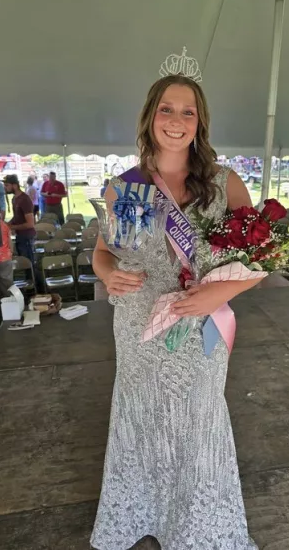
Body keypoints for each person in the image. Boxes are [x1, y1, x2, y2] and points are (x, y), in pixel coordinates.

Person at [91, 73, 258, 549]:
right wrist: (106, 274)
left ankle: (197, 525)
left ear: (200, 122)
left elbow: (261, 257)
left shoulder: (224, 183)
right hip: (139, 322)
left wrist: (218, 296)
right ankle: (143, 511)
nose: (177, 120)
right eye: (167, 109)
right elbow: (104, 253)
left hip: (200, 322)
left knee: (198, 416)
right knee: (141, 415)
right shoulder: (125, 186)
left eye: (188, 111)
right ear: (150, 116)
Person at [3, 174, 36, 264]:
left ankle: (34, 278)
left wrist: (12, 227)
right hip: (20, 236)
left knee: (29, 263)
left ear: (14, 185)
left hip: (27, 237)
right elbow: (17, 216)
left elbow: (30, 224)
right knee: (23, 262)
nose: (5, 188)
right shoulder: (14, 199)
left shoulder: (24, 199)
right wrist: (7, 224)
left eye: (7, 185)